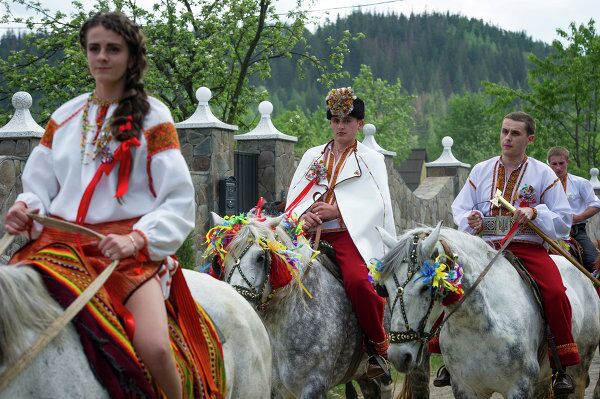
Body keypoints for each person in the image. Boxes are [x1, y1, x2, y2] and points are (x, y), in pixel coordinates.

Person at [4, 12, 195, 399]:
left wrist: (139, 239)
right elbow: (41, 185)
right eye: (94, 48)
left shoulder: (155, 117)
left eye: (113, 48)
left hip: (125, 252)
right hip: (55, 247)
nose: (102, 57)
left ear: (131, 55)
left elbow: (178, 197)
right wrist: (26, 207)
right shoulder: (65, 116)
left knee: (156, 347)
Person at [443, 111, 578, 394]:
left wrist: (535, 211)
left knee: (555, 292)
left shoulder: (543, 173)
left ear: (529, 139)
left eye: (515, 133)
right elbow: (460, 208)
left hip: (526, 248)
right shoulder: (481, 170)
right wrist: (472, 218)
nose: (507, 138)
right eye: (504, 131)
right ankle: (446, 357)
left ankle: (560, 364)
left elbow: (564, 218)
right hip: (485, 248)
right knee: (447, 283)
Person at [285, 87, 396, 378]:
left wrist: (338, 212)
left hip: (350, 235)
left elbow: (379, 205)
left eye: (347, 120)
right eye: (335, 120)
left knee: (360, 283)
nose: (340, 126)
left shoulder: (371, 159)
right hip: (309, 234)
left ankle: (378, 348)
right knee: (274, 271)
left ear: (359, 124)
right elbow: (295, 195)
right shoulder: (312, 155)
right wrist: (303, 215)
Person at [547, 146, 600, 272]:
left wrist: (578, 218)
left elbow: (596, 204)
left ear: (568, 162)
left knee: (594, 263)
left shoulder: (580, 183)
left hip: (576, 232)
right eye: (554, 164)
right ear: (549, 164)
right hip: (549, 232)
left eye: (561, 163)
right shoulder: (544, 184)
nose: (558, 167)